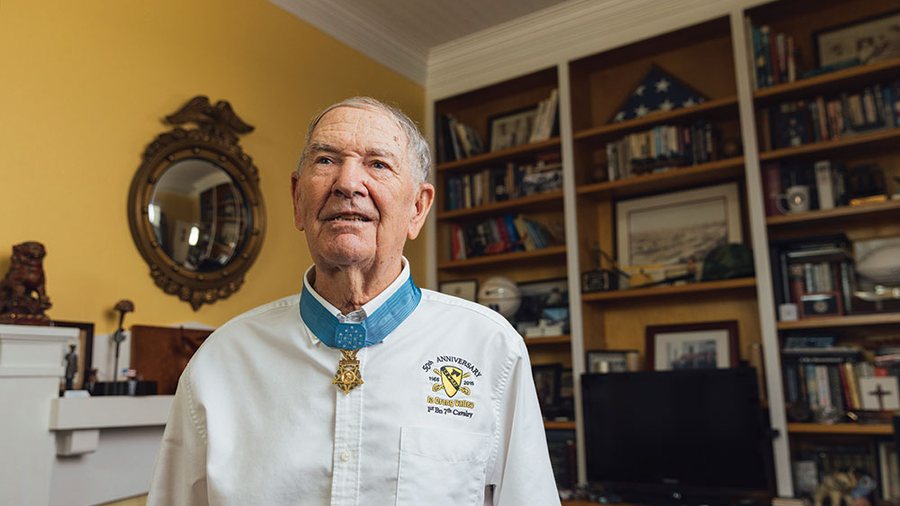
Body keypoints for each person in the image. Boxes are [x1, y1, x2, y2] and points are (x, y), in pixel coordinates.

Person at [147, 97, 560, 506]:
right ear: (297, 199)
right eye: (325, 160)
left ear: (418, 208)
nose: (347, 183)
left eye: (378, 164)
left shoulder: (490, 348)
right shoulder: (221, 361)